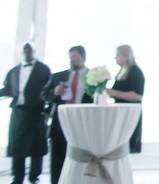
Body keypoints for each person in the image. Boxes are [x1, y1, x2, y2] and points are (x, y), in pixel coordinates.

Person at [0, 43, 51, 184]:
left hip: (37, 112)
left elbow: (50, 92)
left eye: (30, 50)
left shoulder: (44, 69)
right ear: (21, 52)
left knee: (37, 146)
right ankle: (17, 177)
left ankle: (34, 177)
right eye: (25, 50)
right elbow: (8, 89)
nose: (27, 53)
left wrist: (47, 111)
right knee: (17, 146)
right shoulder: (13, 71)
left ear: (35, 52)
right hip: (18, 112)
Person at [42, 45, 91, 184]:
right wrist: (54, 92)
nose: (72, 60)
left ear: (83, 57)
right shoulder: (59, 76)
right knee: (58, 158)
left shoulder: (93, 76)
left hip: (83, 124)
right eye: (70, 57)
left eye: (75, 57)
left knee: (81, 158)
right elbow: (44, 94)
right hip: (60, 123)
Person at [108, 44, 145, 153]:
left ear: (126, 55)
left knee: (128, 145)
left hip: (130, 113)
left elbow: (137, 95)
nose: (115, 58)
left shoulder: (135, 71)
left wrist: (114, 93)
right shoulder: (122, 71)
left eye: (117, 55)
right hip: (121, 112)